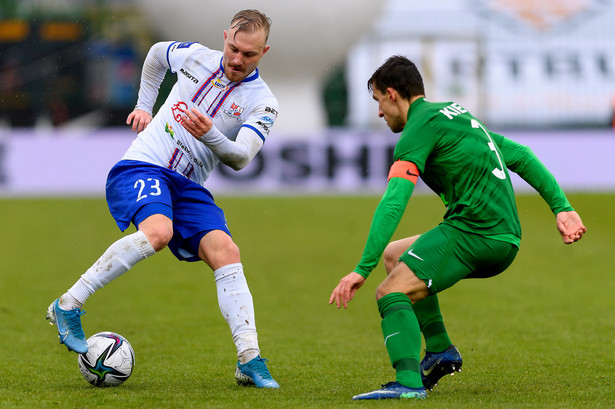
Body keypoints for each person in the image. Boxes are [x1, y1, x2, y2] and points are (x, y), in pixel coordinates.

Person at [329, 55, 586, 400]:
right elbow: (520, 155)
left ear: (392, 94)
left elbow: (394, 200)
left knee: (390, 292)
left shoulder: (418, 130)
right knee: (395, 255)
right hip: (503, 236)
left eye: (377, 101)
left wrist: (362, 269)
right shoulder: (455, 113)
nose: (379, 113)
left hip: (475, 233)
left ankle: (407, 384)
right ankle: (439, 351)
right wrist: (562, 207)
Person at [46, 9, 280, 388]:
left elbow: (241, 157)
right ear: (225, 36)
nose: (237, 60)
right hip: (144, 165)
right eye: (234, 48)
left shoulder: (263, 102)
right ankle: (68, 304)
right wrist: (143, 104)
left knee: (226, 251)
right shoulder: (195, 57)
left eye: (249, 55)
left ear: (264, 52)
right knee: (159, 232)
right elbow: (156, 54)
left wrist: (210, 135)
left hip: (188, 187)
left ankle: (249, 359)